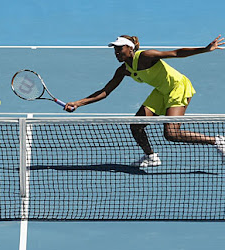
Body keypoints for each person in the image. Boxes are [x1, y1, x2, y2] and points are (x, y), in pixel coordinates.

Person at [64, 35, 225, 167]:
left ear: (130, 48)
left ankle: (217, 141)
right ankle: (151, 156)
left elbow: (176, 53)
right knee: (136, 126)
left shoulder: (147, 56)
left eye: (120, 49)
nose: (117, 53)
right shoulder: (123, 70)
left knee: (171, 133)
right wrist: (78, 103)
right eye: (115, 50)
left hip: (177, 87)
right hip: (161, 90)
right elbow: (105, 92)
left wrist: (205, 49)